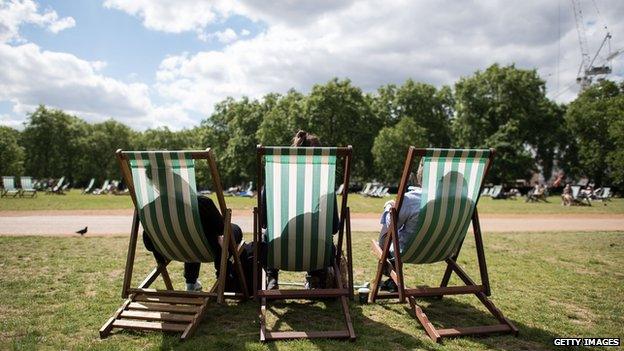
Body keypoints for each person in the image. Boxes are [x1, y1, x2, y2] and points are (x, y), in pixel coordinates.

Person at [261, 130, 340, 290]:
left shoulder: (274, 184)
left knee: (265, 235)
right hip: (318, 254)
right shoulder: (326, 188)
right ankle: (315, 278)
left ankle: (271, 278)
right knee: (319, 236)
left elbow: (263, 222)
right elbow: (334, 227)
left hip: (278, 253)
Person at [143, 196, 244, 292]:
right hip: (203, 248)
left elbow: (148, 243)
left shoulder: (149, 207)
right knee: (234, 230)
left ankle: (191, 283)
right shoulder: (201, 202)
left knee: (191, 237)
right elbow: (221, 228)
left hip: (169, 250)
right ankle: (225, 282)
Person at [377, 160, 423, 292]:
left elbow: (392, 226)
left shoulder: (412, 199)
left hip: (409, 251)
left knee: (388, 228)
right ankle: (392, 279)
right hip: (444, 250)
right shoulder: (463, 201)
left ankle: (392, 277)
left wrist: (389, 207)